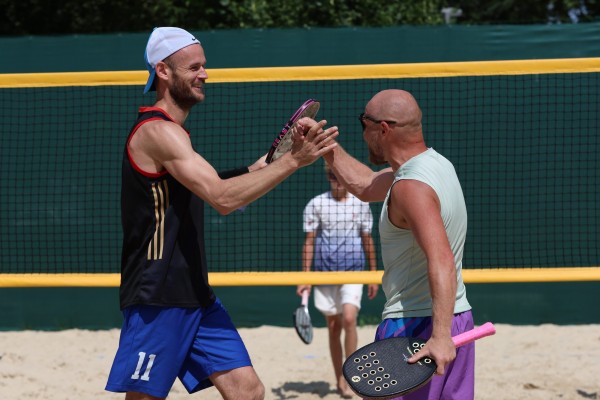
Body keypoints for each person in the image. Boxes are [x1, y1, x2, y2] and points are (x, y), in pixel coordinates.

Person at [105, 27, 338, 400]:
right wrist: (293, 161)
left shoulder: (175, 134)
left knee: (248, 391)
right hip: (157, 293)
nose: (205, 74)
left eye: (204, 65)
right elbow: (223, 198)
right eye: (194, 67)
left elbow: (223, 183)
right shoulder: (157, 132)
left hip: (195, 293)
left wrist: (276, 159)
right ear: (163, 71)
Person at [321, 89, 474, 400]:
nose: (362, 135)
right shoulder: (436, 165)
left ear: (383, 129)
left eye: (363, 124)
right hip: (458, 318)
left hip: (418, 326)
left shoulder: (410, 187)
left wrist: (439, 336)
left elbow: (441, 259)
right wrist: (325, 146)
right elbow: (365, 185)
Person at [296, 164, 379, 398]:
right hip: (325, 274)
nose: (337, 180)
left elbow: (367, 239)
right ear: (328, 177)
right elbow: (309, 242)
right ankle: (339, 380)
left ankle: (351, 376)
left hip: (353, 272)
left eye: (340, 175)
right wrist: (305, 277)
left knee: (349, 318)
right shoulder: (317, 204)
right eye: (333, 175)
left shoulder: (360, 203)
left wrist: (373, 274)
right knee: (334, 327)